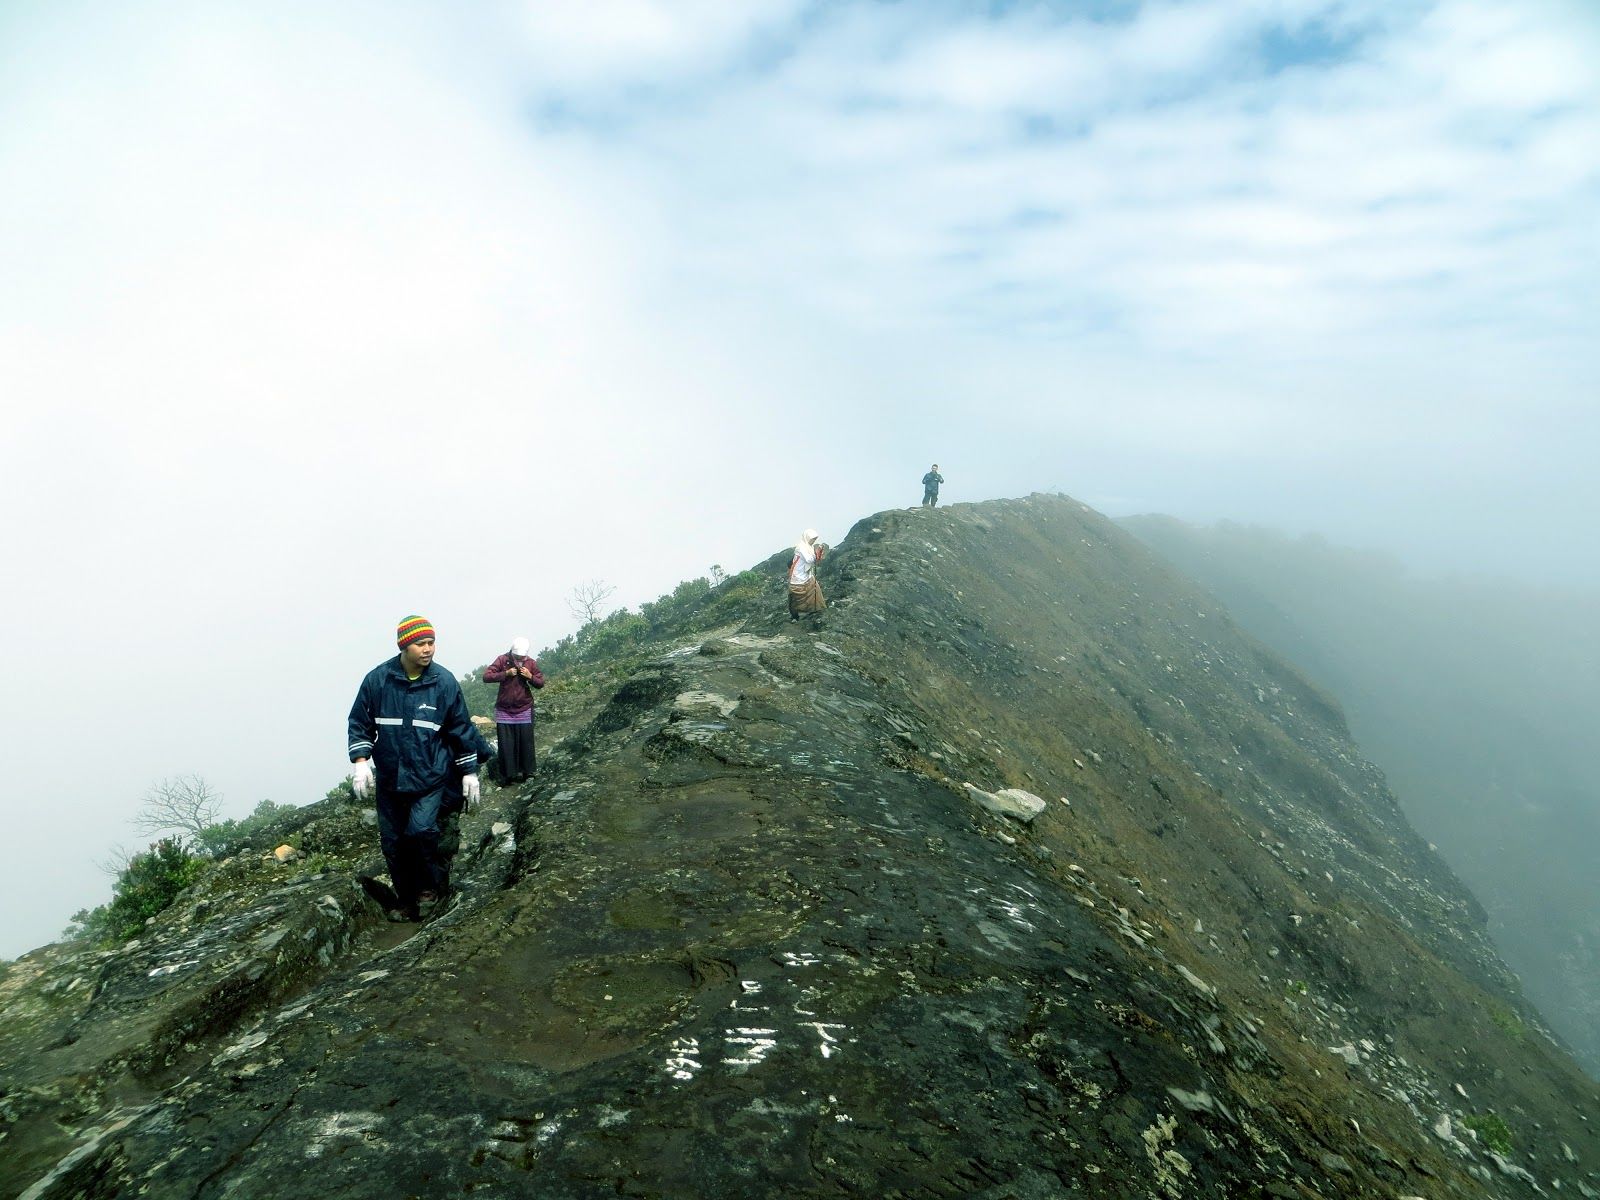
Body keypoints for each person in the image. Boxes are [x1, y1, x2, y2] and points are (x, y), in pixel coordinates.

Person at [349, 615, 481, 922]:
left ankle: (430, 889)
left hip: (429, 777)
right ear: (404, 645)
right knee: (393, 843)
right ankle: (406, 900)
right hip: (391, 779)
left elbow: (461, 729)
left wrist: (469, 772)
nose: (428, 649)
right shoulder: (378, 680)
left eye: (431, 642)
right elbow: (360, 722)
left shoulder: (443, 682)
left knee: (421, 832)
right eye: (420, 643)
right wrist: (360, 762)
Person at [482, 637, 545, 783]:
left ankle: (528, 772)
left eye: (522, 656)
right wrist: (505, 674)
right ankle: (508, 775)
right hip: (505, 709)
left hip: (524, 707)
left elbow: (540, 683)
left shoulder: (531, 663)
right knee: (506, 744)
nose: (520, 658)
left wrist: (530, 676)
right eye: (517, 656)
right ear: (512, 652)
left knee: (526, 742)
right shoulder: (503, 660)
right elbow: (486, 677)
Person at [787, 528, 826, 620]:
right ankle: (795, 616)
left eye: (814, 539)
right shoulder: (800, 547)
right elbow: (808, 559)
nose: (813, 541)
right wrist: (816, 555)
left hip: (807, 574)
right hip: (798, 575)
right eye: (812, 539)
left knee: (815, 589)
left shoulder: (809, 547)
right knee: (795, 596)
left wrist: (817, 555)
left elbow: (813, 560)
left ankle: (816, 609)